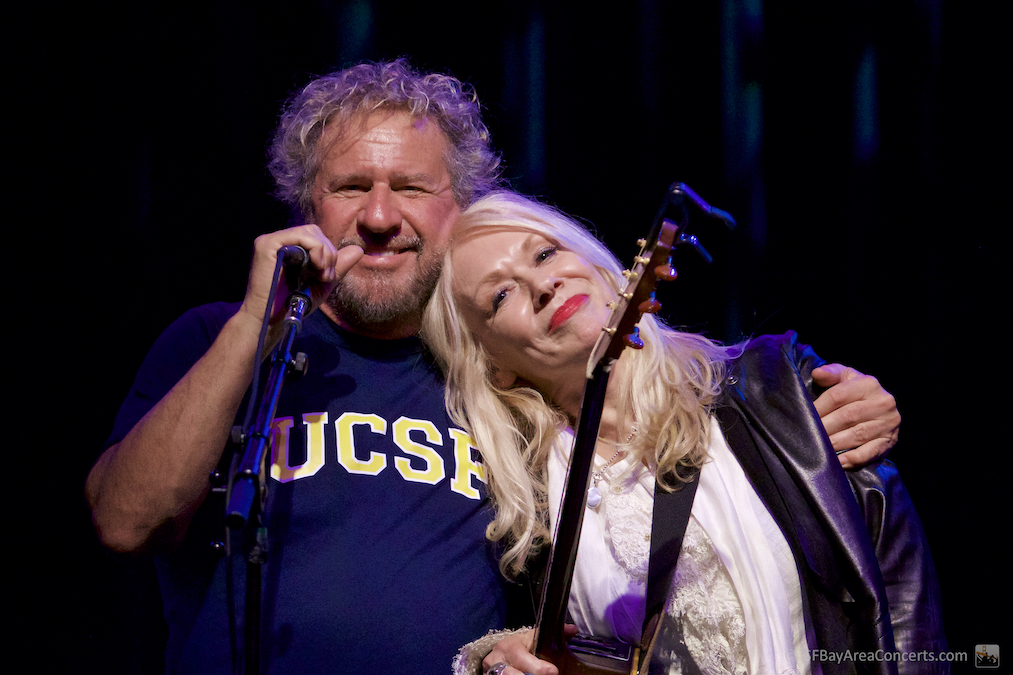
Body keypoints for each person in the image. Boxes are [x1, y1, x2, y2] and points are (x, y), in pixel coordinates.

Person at [85, 60, 902, 673]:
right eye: (347, 188)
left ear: (457, 209)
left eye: (409, 186)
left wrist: (802, 401)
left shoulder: (493, 369)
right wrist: (248, 331)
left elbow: (652, 417)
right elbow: (126, 524)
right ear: (307, 204)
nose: (376, 216)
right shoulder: (217, 340)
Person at [421, 192, 946, 675]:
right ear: (492, 366)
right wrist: (501, 654)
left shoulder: (770, 388)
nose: (542, 285)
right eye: (500, 296)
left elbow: (899, 596)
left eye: (544, 255)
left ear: (604, 270)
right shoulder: (528, 506)